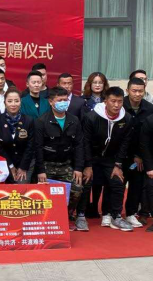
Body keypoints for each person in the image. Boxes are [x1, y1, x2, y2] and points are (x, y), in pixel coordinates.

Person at [34, 87, 89, 230]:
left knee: (77, 188)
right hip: (47, 165)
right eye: (60, 100)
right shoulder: (41, 121)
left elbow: (79, 145)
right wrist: (40, 170)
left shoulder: (74, 120)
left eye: (65, 100)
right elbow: (37, 147)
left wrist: (78, 168)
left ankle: (67, 215)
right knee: (44, 193)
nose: (63, 103)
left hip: (66, 164)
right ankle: (48, 219)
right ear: (51, 102)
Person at [82, 87, 134, 231]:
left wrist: (118, 165)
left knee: (117, 182)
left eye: (120, 101)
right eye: (113, 101)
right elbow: (85, 142)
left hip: (111, 159)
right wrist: (87, 165)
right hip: (92, 157)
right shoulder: (91, 117)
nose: (116, 105)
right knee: (85, 182)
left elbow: (125, 143)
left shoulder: (127, 118)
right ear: (105, 101)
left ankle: (116, 216)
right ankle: (80, 215)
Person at [122, 78, 153, 228]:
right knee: (117, 185)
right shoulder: (120, 105)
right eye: (134, 90)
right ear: (127, 90)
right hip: (121, 154)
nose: (137, 94)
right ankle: (112, 213)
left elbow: (147, 138)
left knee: (136, 185)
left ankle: (131, 213)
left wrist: (140, 156)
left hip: (140, 156)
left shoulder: (149, 108)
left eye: (141, 91)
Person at [82, 72, 110, 217]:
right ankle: (85, 207)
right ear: (90, 84)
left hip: (102, 145)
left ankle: (95, 206)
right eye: (95, 82)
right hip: (87, 143)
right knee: (87, 179)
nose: (98, 85)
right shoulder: (83, 101)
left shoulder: (108, 101)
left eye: (100, 82)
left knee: (99, 179)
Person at [0, 87, 34, 183]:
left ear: (20, 102)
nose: (13, 104)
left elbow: (30, 146)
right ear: (5, 102)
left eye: (16, 101)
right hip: (4, 162)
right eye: (10, 101)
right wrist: (10, 165)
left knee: (21, 189)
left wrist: (23, 167)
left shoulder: (29, 120)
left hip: (25, 163)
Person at [140, 113, 153, 231]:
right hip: (151, 161)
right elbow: (145, 146)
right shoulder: (149, 121)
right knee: (150, 188)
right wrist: (149, 168)